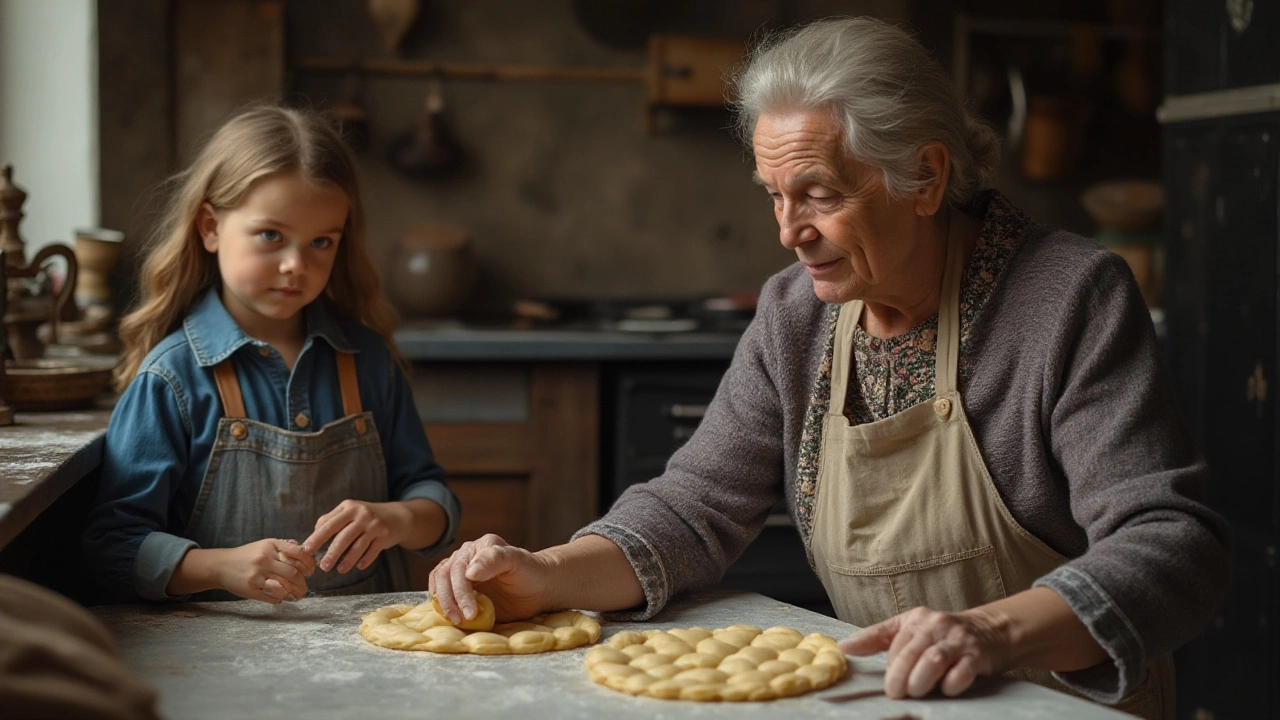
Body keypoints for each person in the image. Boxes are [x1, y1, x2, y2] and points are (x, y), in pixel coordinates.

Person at [426, 17, 1229, 719]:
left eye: (818, 194)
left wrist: (989, 630)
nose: (788, 232)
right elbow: (695, 506)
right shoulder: (795, 314)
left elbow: (1172, 543)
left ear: (925, 178)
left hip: (1056, 708)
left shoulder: (1068, 299)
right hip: (893, 704)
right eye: (773, 195)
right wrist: (546, 573)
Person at [84, 105, 460, 604]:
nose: (294, 265)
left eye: (321, 242)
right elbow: (113, 548)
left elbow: (434, 499)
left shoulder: (367, 360)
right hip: (221, 664)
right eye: (271, 236)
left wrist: (400, 517)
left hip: (367, 655)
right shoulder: (171, 380)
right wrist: (218, 565)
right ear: (210, 227)